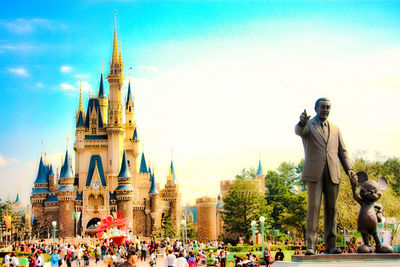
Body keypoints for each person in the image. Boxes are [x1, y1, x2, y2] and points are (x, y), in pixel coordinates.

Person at [295, 97, 357, 255]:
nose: (325, 110)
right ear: (316, 109)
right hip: (315, 172)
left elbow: (342, 151)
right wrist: (301, 122)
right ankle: (311, 245)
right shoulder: (308, 125)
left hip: (333, 171)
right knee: (314, 209)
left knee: (332, 209)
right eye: (322, 107)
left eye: (328, 107)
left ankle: (331, 245)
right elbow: (299, 131)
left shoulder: (336, 129)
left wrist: (349, 169)